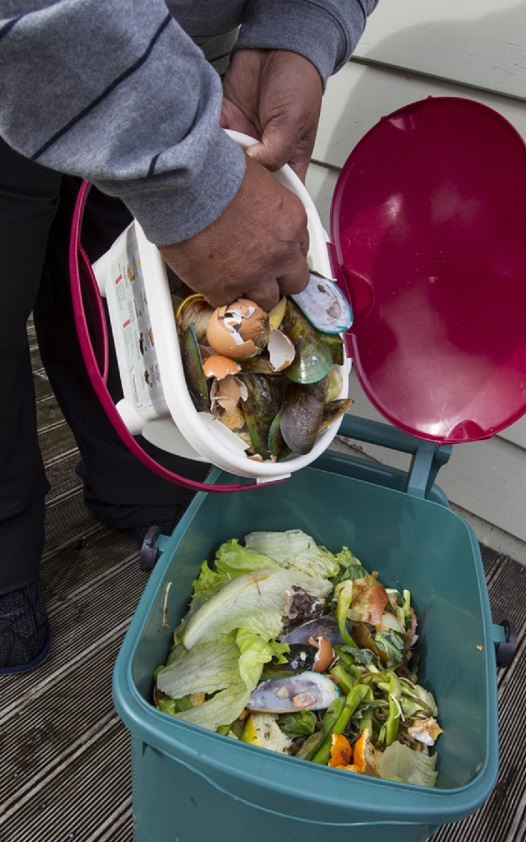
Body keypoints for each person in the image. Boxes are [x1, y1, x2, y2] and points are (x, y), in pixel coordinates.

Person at [0, 1, 378, 674]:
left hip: (168, 65)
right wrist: (185, 168)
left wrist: (301, 28)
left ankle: (136, 487)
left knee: (110, 284)